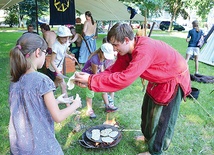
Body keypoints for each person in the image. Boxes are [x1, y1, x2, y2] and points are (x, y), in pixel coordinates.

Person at [74, 23, 191, 155]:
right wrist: (91, 79)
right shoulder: (126, 51)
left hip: (172, 80)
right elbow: (114, 70)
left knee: (161, 120)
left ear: (126, 40)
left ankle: (155, 152)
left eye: (115, 45)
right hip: (157, 79)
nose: (113, 49)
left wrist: (91, 81)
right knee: (147, 112)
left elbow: (125, 78)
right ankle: (148, 138)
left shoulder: (144, 50)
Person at [8, 33, 82, 154]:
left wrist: (57, 101)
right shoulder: (42, 80)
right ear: (38, 52)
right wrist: (76, 104)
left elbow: (31, 105)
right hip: (41, 148)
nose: (46, 56)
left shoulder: (14, 81)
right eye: (45, 52)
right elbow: (58, 117)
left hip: (19, 148)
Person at [81, 43, 115, 118]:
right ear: (101, 52)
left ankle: (107, 106)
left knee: (104, 90)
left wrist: (104, 77)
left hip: (95, 75)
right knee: (90, 93)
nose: (106, 58)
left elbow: (102, 70)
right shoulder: (95, 60)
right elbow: (95, 74)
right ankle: (89, 110)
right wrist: (101, 80)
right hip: (88, 77)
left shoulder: (102, 58)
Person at [47, 26, 76, 104]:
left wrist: (69, 56)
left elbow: (64, 53)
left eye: (67, 37)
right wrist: (58, 72)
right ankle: (68, 106)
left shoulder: (65, 43)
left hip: (58, 69)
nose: (66, 39)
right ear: (59, 37)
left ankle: (46, 99)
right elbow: (52, 61)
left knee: (54, 86)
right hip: (54, 69)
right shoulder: (55, 46)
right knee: (63, 86)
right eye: (64, 37)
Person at [101, 37, 118, 113]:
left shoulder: (113, 54)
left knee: (112, 90)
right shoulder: (103, 56)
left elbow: (116, 63)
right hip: (106, 73)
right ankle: (107, 105)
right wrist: (103, 73)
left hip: (112, 73)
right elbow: (102, 66)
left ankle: (111, 104)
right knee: (105, 90)